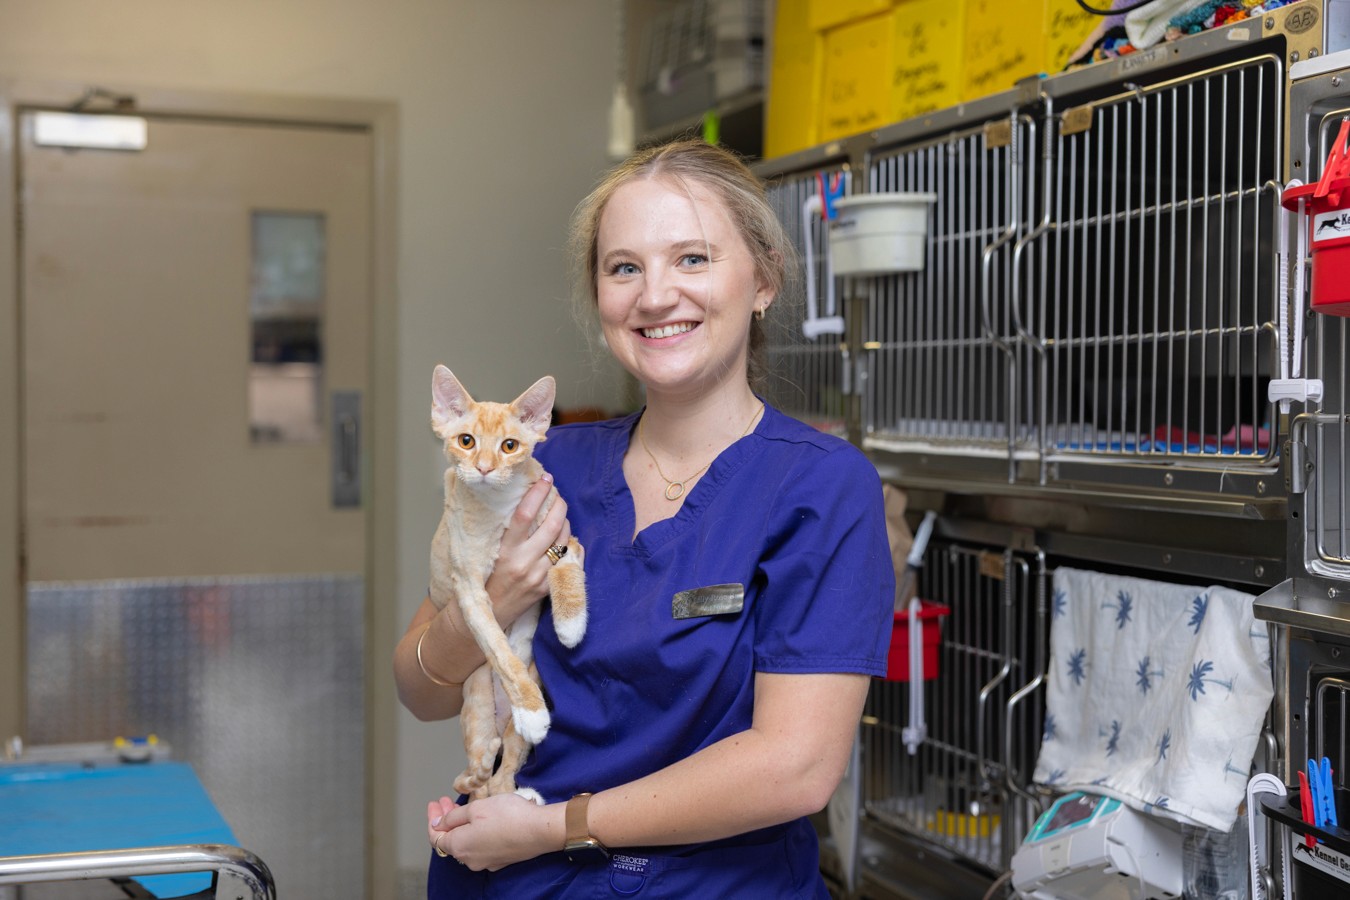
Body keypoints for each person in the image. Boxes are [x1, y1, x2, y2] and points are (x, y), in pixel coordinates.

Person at [393, 138, 895, 897]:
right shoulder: (542, 465)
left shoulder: (821, 489)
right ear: (600, 297)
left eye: (692, 259)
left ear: (764, 279)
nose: (655, 295)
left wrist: (554, 826)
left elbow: (796, 768)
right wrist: (489, 607)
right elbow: (421, 689)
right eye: (625, 267)